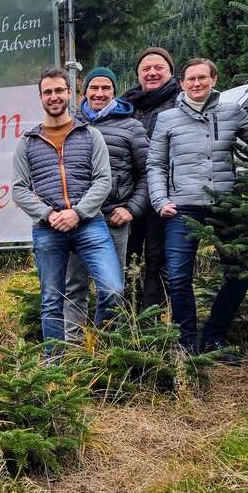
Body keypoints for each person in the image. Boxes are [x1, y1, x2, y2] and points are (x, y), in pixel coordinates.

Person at [147, 58, 248, 355]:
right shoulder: (168, 119)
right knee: (178, 275)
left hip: (225, 204)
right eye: (191, 79)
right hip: (182, 208)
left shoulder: (231, 112)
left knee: (241, 271)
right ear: (182, 83)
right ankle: (187, 341)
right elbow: (156, 163)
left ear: (214, 79)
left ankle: (214, 335)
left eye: (202, 78)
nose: (196, 84)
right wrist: (161, 200)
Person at [12, 67, 122, 348]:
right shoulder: (27, 142)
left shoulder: (90, 135)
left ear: (69, 93)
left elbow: (103, 180)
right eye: (48, 92)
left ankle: (94, 347)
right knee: (51, 300)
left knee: (112, 289)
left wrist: (78, 213)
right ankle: (55, 367)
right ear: (40, 98)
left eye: (59, 90)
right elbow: (19, 189)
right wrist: (48, 214)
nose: (54, 96)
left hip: (89, 224)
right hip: (48, 229)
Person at [62, 67, 150, 340]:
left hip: (113, 219)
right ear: (84, 91)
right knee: (74, 284)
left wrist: (131, 209)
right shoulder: (67, 124)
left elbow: (149, 171)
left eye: (106, 88)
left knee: (111, 287)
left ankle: (106, 345)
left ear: (114, 91)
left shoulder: (131, 126)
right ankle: (73, 345)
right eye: (94, 88)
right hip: (76, 219)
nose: (99, 93)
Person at [120, 47, 181, 309]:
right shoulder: (125, 105)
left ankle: (154, 316)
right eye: (146, 69)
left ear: (170, 72)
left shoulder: (181, 101)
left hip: (165, 195)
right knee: (126, 255)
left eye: (159, 68)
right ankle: (126, 312)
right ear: (138, 74)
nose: (152, 73)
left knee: (158, 257)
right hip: (129, 196)